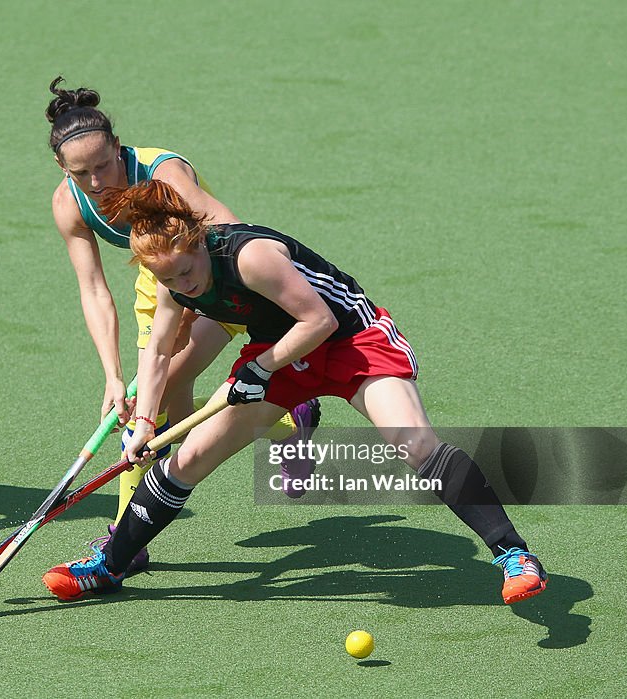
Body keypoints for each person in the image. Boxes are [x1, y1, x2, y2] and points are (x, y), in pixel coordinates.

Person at [41, 179, 548, 606]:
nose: (183, 286)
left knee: (415, 444)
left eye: (186, 272)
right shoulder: (174, 281)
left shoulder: (250, 257)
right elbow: (156, 355)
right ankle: (110, 565)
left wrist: (260, 367)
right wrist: (146, 425)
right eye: (165, 279)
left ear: (199, 242)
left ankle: (513, 554)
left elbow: (319, 319)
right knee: (188, 459)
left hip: (351, 338)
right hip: (281, 351)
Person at [46, 79, 320, 571]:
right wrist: (113, 374)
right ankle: (287, 423)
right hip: (157, 280)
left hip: (218, 273)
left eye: (103, 165)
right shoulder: (70, 203)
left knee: (160, 394)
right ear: (62, 168)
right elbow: (93, 291)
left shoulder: (163, 172)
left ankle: (124, 541)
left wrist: (196, 300)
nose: (95, 183)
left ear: (117, 146)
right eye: (80, 172)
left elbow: (230, 229)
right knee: (156, 402)